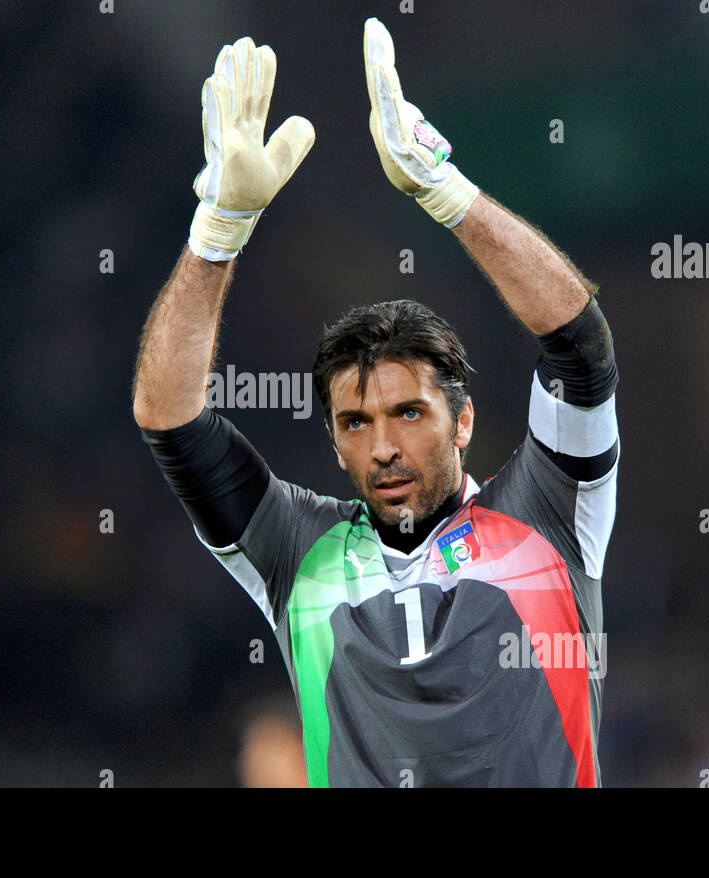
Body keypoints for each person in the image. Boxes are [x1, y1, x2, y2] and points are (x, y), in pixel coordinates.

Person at [132, 19, 620, 787]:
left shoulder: (549, 515)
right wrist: (218, 231)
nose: (383, 446)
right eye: (356, 423)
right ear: (334, 443)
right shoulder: (299, 552)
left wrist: (446, 190)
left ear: (463, 420)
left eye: (409, 414)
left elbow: (578, 345)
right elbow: (170, 419)